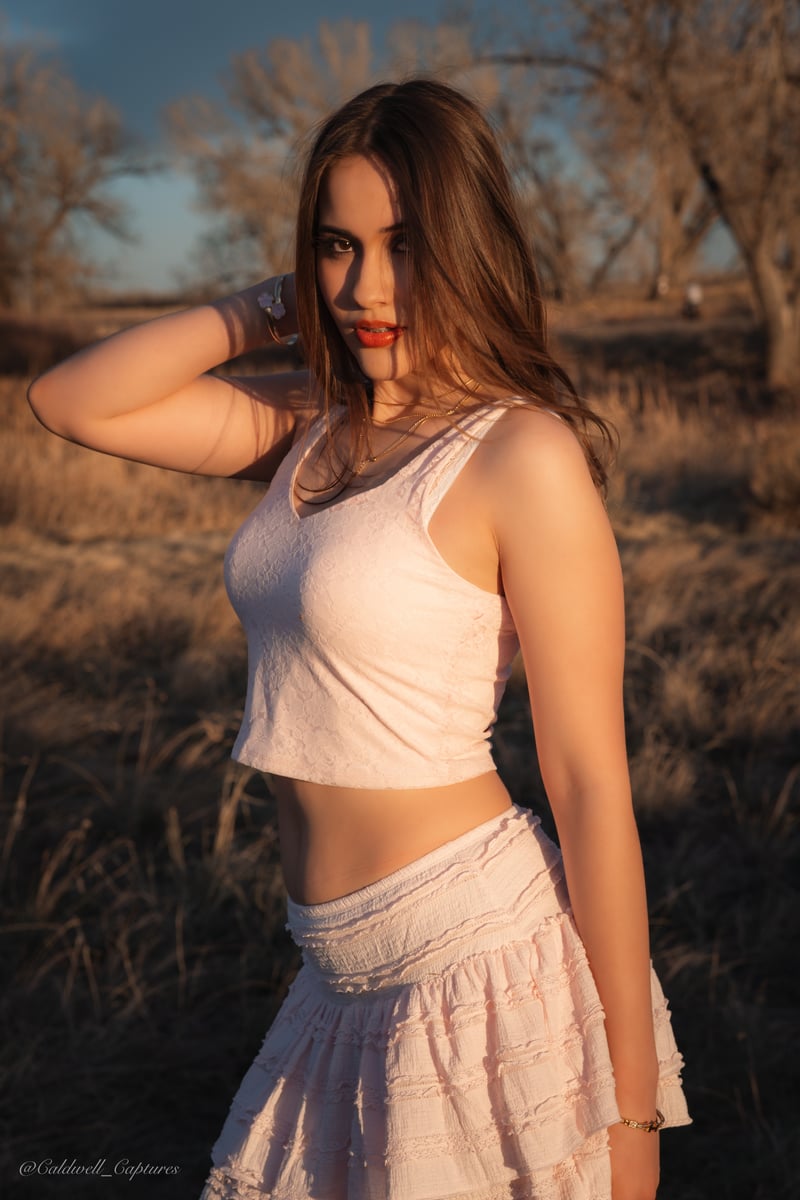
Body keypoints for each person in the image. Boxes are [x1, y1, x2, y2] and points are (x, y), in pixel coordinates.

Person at [28, 78, 690, 1200]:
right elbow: (70, 400)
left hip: (469, 966)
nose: (365, 286)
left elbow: (587, 787)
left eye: (403, 244)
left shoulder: (516, 456)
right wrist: (273, 306)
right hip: (334, 979)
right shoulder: (309, 424)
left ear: (467, 245)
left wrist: (625, 1110)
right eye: (337, 246)